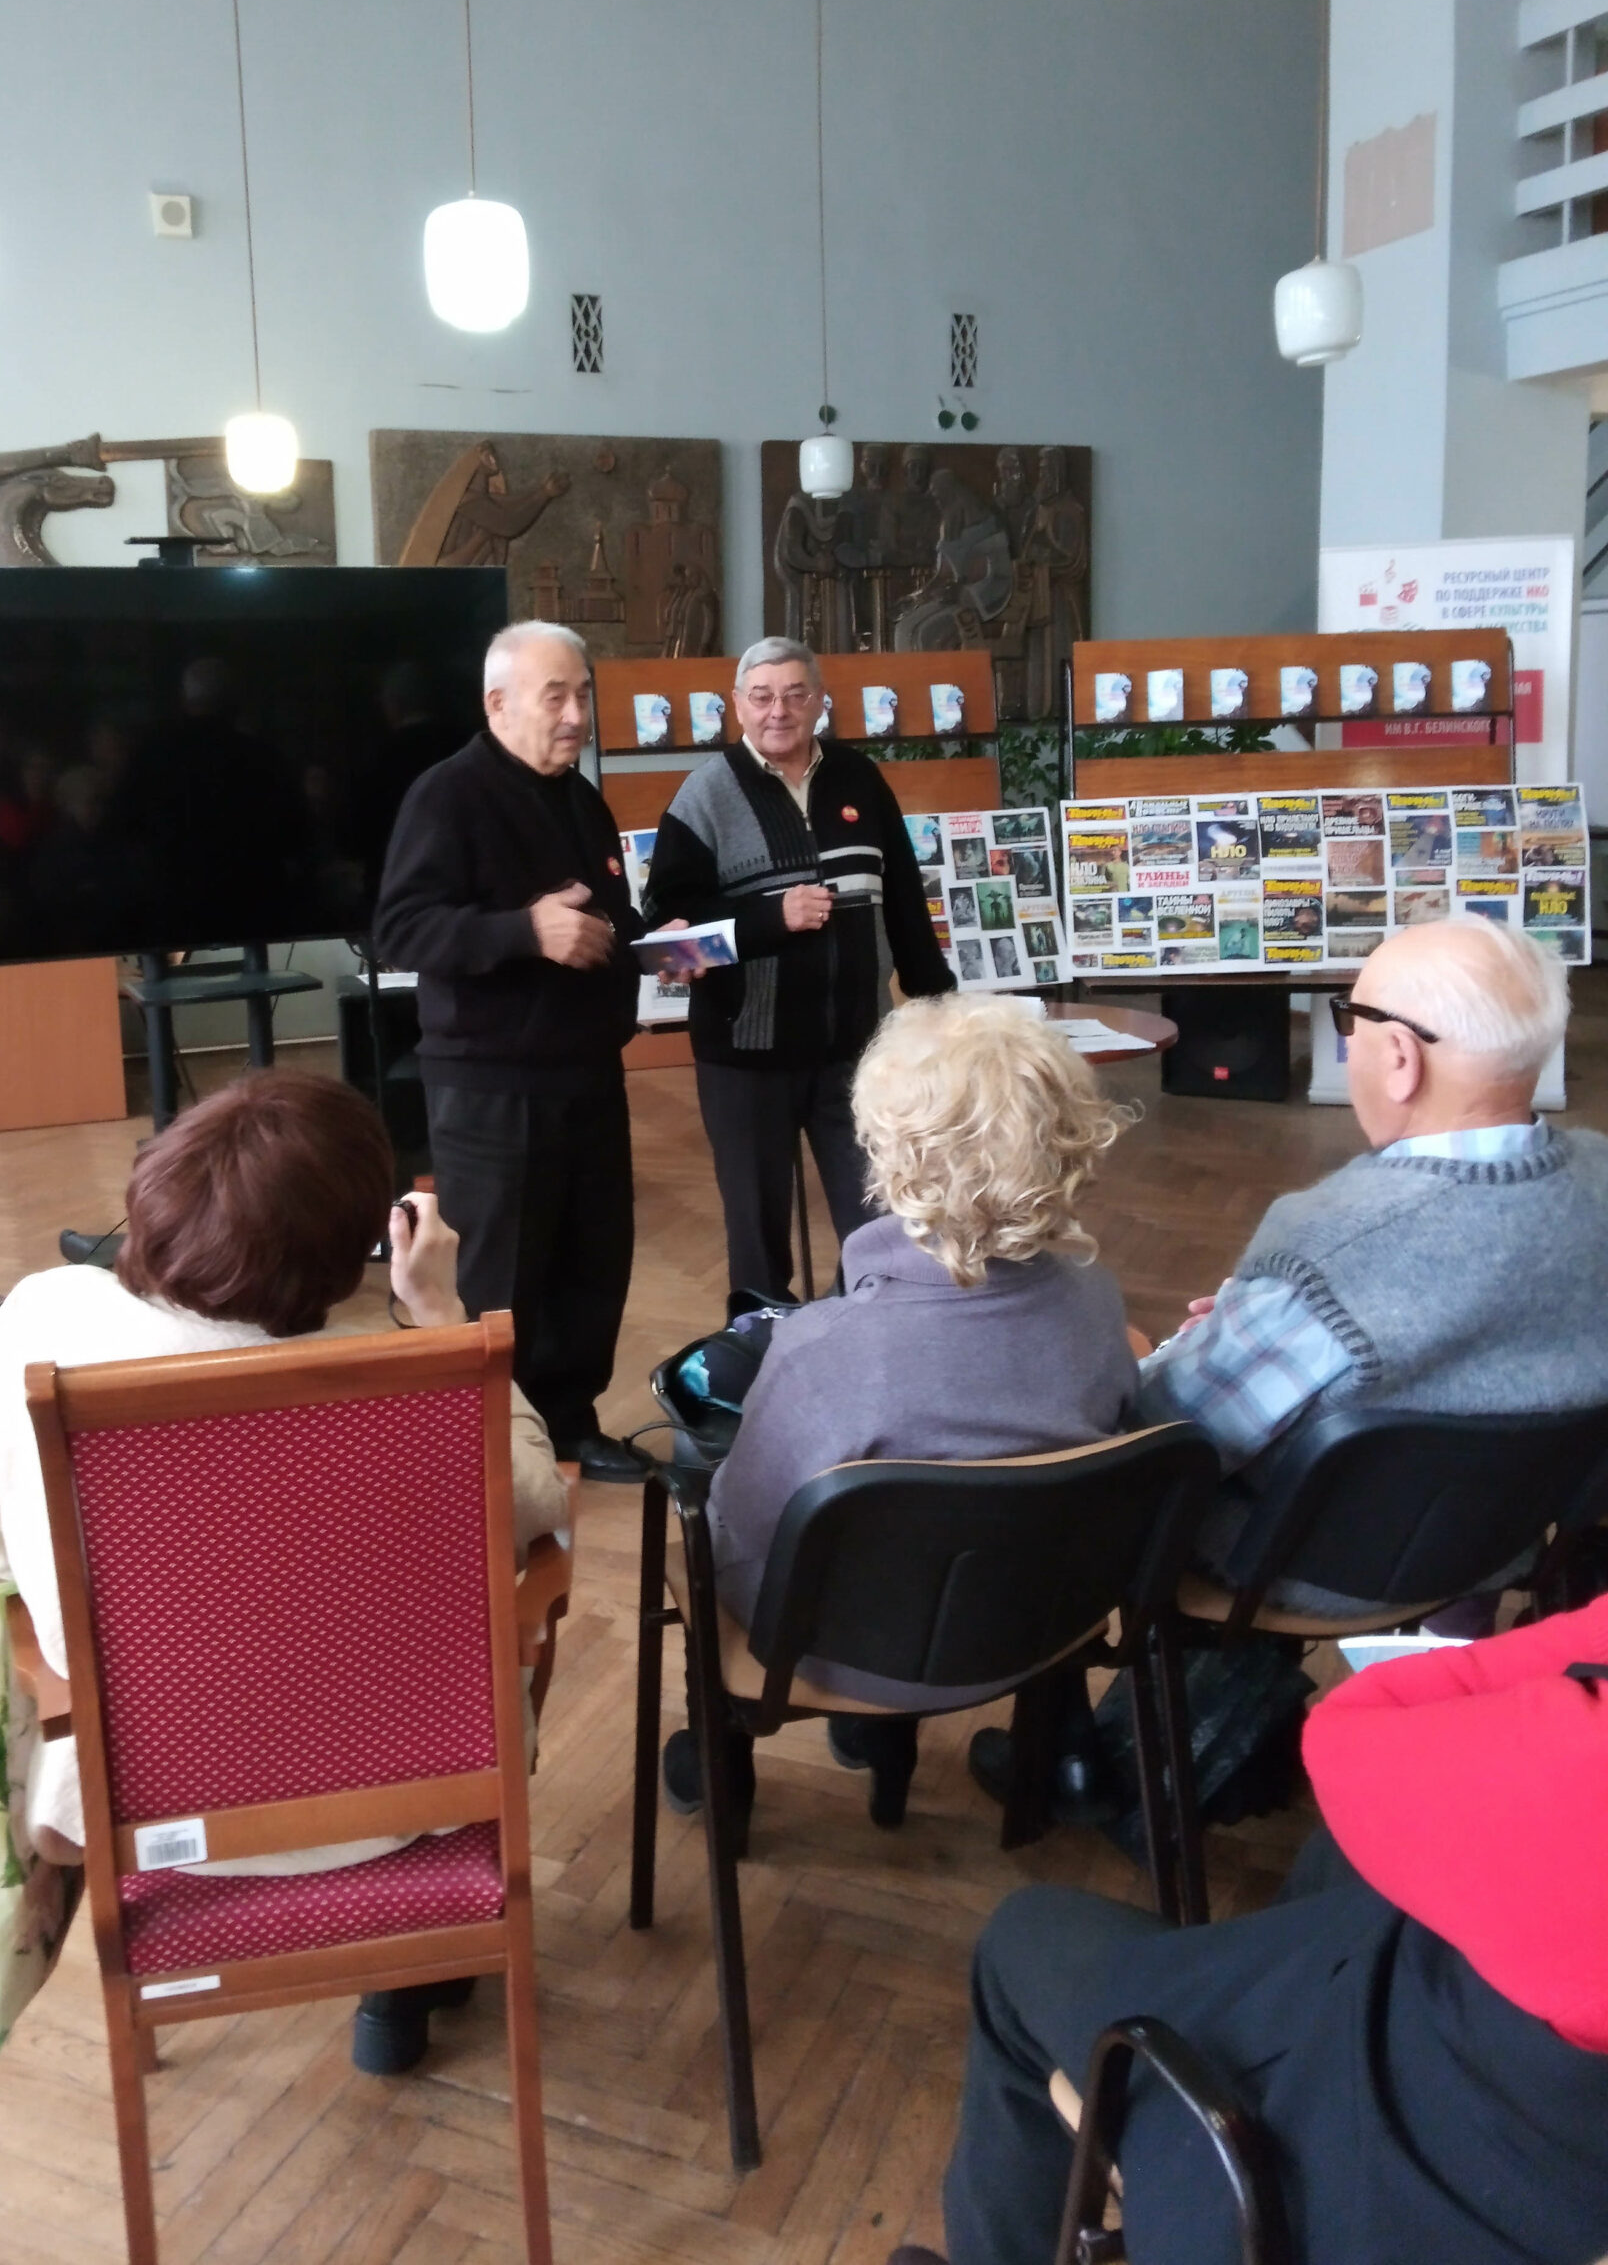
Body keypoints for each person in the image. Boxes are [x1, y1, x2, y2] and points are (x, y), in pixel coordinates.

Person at [0, 1069, 569, 2076]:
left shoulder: (43, 1322)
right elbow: (541, 1508)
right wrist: (443, 1317)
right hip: (410, 1797)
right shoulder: (409, 1377)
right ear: (359, 1244)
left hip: (141, 1810)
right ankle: (408, 1969)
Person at [892, 1592, 1608, 2265]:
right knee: (1332, 1861)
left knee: (1020, 1939)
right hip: (1534, 2159)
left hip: (1316, 2192)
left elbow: (1348, 1732)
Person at [661, 996, 1139, 1830]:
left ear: (890, 1155)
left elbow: (752, 1530)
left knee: (698, 1468)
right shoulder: (1098, 1305)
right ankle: (878, 1738)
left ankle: (721, 1758)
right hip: (1039, 1620)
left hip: (843, 1651)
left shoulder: (822, 1348)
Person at [1139, 917, 1608, 1607]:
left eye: (1348, 1017)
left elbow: (1167, 1440)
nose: (1347, 1036)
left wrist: (1213, 1338)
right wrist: (1260, 1317)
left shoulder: (1330, 1249)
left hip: (1313, 1568)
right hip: (1506, 1540)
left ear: (1399, 1058)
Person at [374, 621, 646, 1481]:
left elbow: (605, 920)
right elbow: (400, 929)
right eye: (555, 697)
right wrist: (525, 931)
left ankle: (569, 1424)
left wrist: (660, 944)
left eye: (583, 695)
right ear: (497, 704)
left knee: (592, 1257)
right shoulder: (447, 795)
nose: (576, 716)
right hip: (493, 1083)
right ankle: (493, 1446)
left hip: (588, 1069)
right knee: (504, 1272)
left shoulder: (582, 798)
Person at [642, 637, 954, 1306]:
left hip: (858, 1050)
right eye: (761, 696)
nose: (777, 710)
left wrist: (941, 1007)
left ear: (819, 701)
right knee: (757, 1243)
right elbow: (669, 942)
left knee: (882, 1226)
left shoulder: (858, 777)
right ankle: (763, 1351)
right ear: (737, 705)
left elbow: (903, 896)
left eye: (794, 694)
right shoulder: (703, 796)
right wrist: (770, 918)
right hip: (746, 1058)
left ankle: (859, 1337)